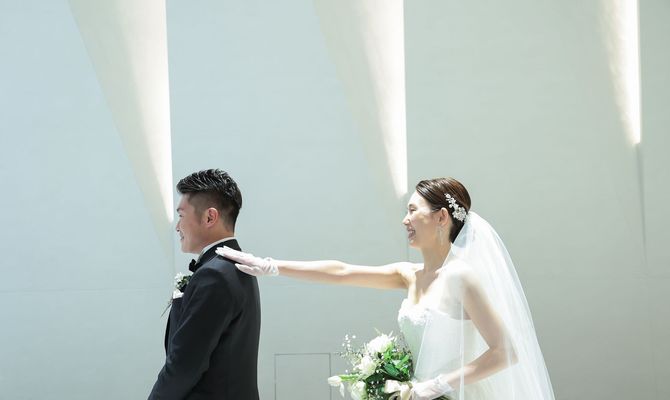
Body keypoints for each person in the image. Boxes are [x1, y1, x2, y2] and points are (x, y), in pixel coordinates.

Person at [219, 177, 555, 400]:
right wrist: (271, 265)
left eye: (412, 211)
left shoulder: (460, 277)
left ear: (441, 217)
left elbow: (505, 351)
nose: (405, 220)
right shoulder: (409, 274)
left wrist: (436, 386)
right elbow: (342, 272)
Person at [149, 169, 261, 400]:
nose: (177, 227)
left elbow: (184, 365)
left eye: (181, 215)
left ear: (210, 217)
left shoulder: (214, 275)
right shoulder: (237, 266)